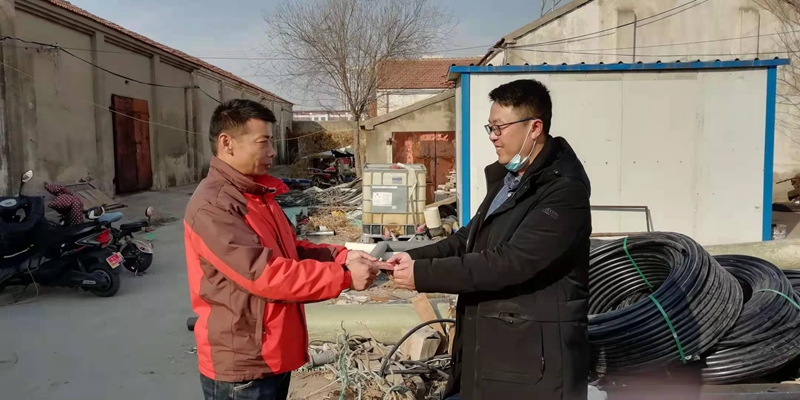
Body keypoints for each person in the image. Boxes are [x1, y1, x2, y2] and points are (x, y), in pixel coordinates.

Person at [388, 79, 592, 400]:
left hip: (534, 367)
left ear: (534, 127)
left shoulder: (563, 192)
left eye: (499, 128)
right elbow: (466, 239)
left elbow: (509, 262)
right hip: (494, 355)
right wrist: (414, 259)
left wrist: (423, 275)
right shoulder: (510, 180)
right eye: (490, 128)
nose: (493, 137)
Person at [183, 99, 380, 400]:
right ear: (227, 143)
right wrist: (343, 276)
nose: (272, 152)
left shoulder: (256, 194)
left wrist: (341, 255)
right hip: (244, 366)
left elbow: (290, 251)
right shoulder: (214, 206)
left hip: (272, 354)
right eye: (263, 142)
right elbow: (264, 273)